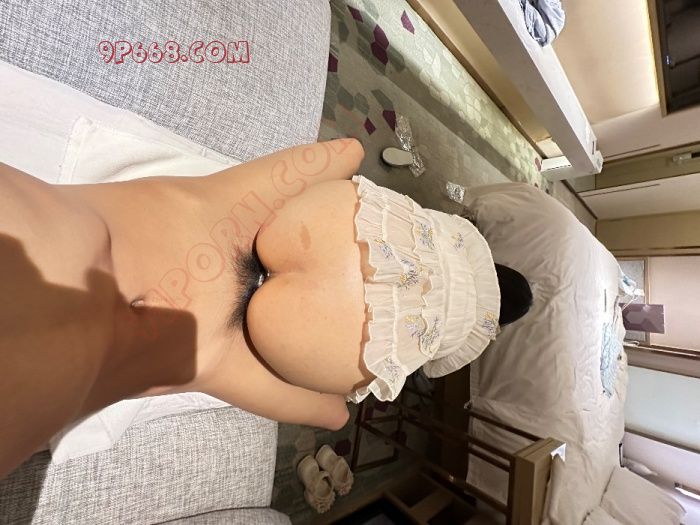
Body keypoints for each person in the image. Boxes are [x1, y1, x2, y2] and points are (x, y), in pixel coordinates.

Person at [0, 138, 531, 478]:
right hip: (212, 348)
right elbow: (334, 414)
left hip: (222, 224)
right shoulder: (219, 361)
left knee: (67, 240)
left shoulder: (228, 199)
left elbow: (347, 151)